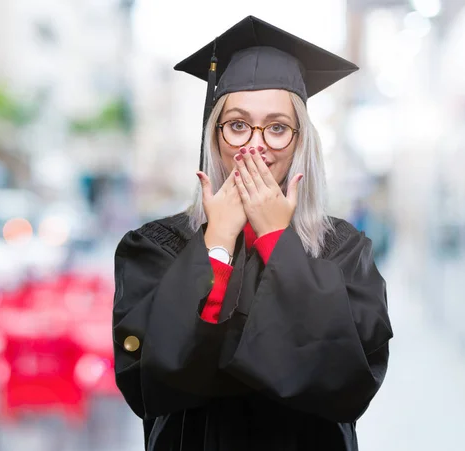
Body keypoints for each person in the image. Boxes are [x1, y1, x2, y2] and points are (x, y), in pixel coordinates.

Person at [112, 16, 393, 451]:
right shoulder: (155, 245)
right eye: (238, 124)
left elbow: (348, 381)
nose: (255, 144)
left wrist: (276, 239)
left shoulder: (343, 249)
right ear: (215, 136)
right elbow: (149, 381)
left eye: (277, 127)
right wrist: (218, 242)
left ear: (301, 143)